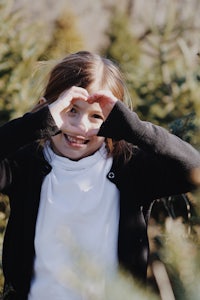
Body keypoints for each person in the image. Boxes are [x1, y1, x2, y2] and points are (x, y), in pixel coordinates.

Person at [0, 50, 200, 300]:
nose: (82, 126)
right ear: (48, 109)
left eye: (97, 115)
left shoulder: (131, 168)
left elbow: (194, 168)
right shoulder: (23, 163)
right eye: (71, 110)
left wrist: (135, 129)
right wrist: (33, 124)